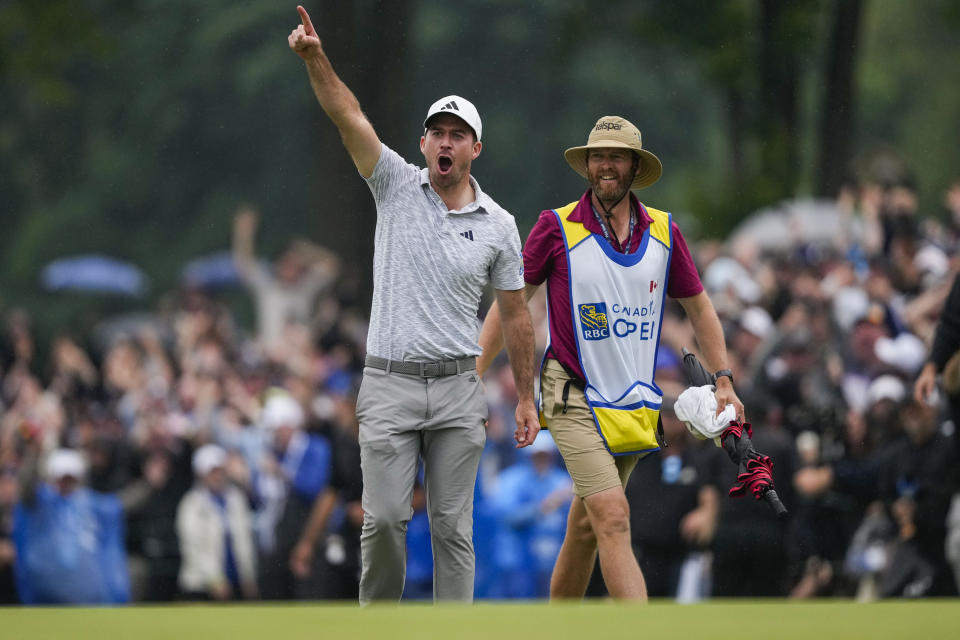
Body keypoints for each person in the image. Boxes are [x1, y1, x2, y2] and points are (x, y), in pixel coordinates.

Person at [287, 5, 538, 604]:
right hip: (389, 384)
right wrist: (315, 58)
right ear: (423, 142)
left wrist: (526, 394)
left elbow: (515, 313)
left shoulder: (500, 225)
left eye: (457, 135)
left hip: (457, 388)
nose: (445, 143)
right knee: (386, 523)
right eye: (437, 133)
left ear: (476, 147)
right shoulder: (394, 183)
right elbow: (347, 115)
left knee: (454, 529)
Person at [478, 115, 744, 601]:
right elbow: (512, 304)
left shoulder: (664, 231)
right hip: (570, 393)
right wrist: (473, 373)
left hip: (632, 406)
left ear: (634, 167)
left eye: (615, 157)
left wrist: (723, 378)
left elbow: (700, 305)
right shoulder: (554, 226)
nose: (604, 165)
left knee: (584, 531)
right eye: (597, 156)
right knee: (614, 515)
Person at [176, 444, 258, 601]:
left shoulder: (236, 498)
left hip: (236, 582)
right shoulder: (192, 503)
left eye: (220, 471)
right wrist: (214, 579)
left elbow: (244, 540)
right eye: (212, 472)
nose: (217, 476)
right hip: (201, 585)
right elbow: (192, 547)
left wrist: (248, 576)